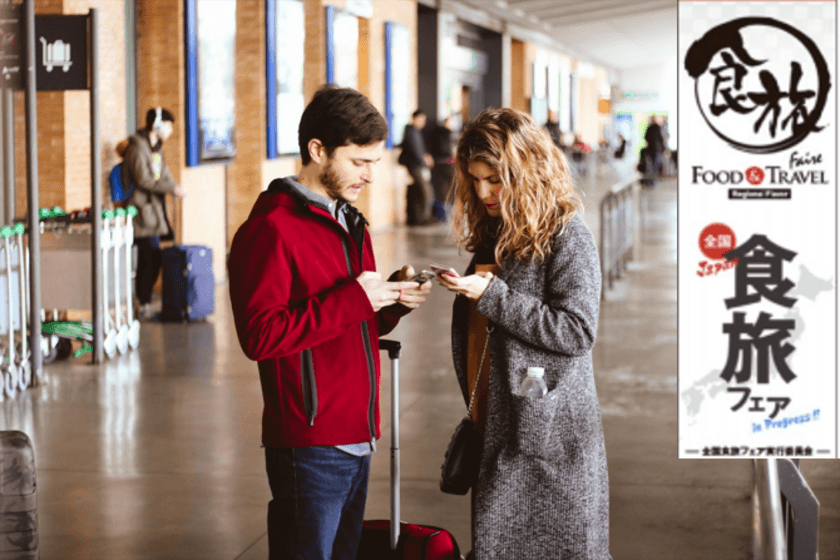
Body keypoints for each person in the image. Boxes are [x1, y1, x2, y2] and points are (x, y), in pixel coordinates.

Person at [227, 84, 432, 560]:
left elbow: (352, 322)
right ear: (317, 150)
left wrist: (391, 301)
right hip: (310, 442)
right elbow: (260, 335)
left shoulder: (349, 221)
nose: (369, 175)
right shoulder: (270, 230)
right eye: (359, 162)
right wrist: (356, 296)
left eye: (374, 163)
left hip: (357, 433)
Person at [438, 108, 609, 560]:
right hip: (503, 422)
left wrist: (491, 295)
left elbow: (576, 330)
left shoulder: (568, 235)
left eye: (494, 179)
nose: (483, 192)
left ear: (525, 170)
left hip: (552, 433)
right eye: (474, 180)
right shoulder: (498, 230)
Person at [123, 107, 184, 320]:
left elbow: (163, 174)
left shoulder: (155, 148)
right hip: (141, 211)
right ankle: (143, 303)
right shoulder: (137, 149)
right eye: (168, 126)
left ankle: (144, 302)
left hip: (154, 211)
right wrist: (169, 188)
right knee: (149, 256)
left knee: (152, 257)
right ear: (156, 125)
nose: (170, 131)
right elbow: (143, 179)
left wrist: (174, 186)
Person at [398, 109, 436, 225]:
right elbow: (416, 151)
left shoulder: (414, 132)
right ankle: (424, 218)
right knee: (426, 192)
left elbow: (420, 150)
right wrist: (424, 162)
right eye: (421, 119)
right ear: (414, 118)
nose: (422, 122)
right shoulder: (411, 132)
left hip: (418, 165)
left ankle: (421, 217)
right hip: (416, 166)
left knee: (422, 192)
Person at [427, 113, 457, 222]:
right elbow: (447, 150)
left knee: (439, 191)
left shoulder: (433, 134)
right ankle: (449, 215)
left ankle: (442, 217)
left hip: (436, 165)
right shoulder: (447, 133)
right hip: (447, 165)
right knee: (452, 189)